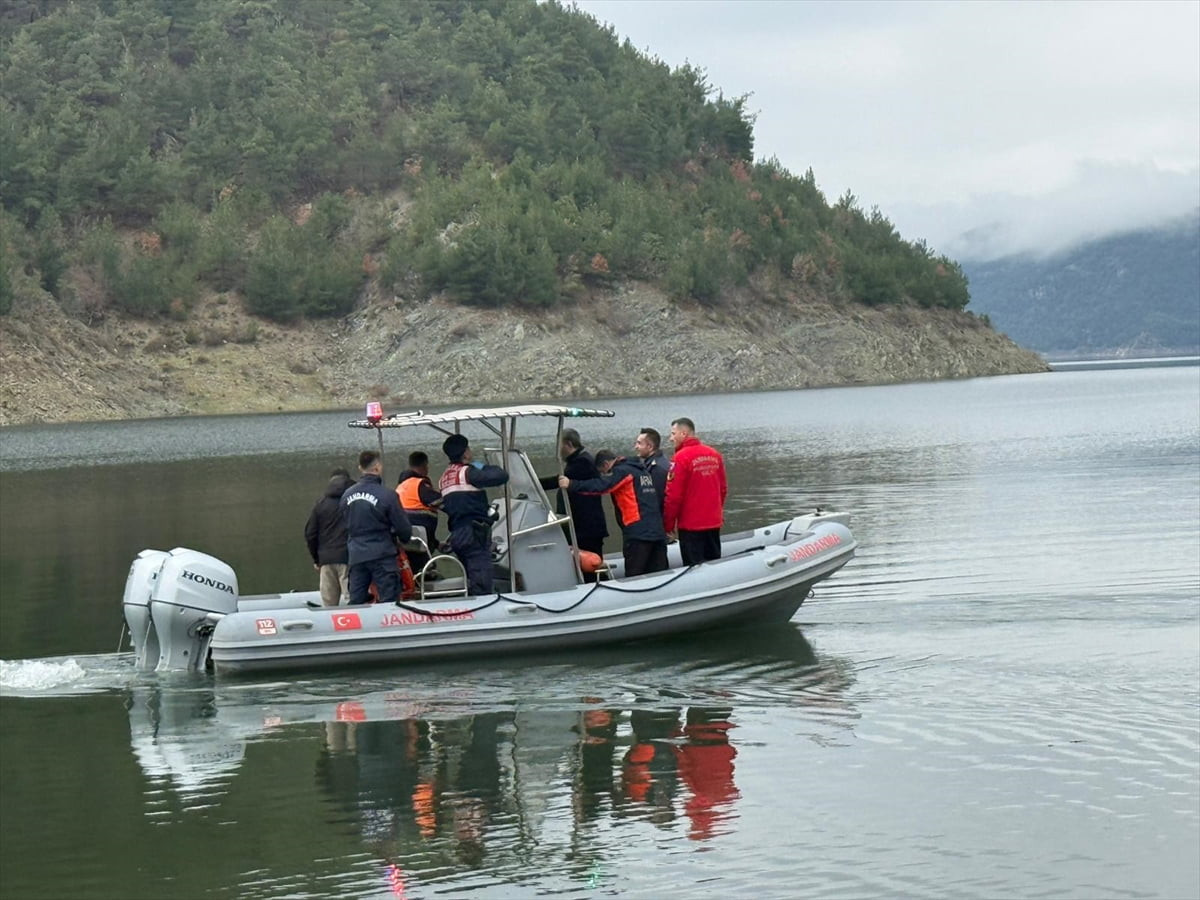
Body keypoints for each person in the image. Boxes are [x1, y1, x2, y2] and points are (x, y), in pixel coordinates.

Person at [559, 449, 668, 577]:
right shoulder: (642, 471)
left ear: (606, 464)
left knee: (634, 574)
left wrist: (571, 484)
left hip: (638, 533)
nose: (605, 474)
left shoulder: (622, 471)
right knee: (659, 572)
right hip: (657, 531)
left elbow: (602, 486)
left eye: (603, 472)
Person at [438, 434, 509, 596]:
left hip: (457, 535)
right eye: (468, 449)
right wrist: (479, 465)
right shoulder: (468, 473)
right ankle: (485, 610)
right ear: (465, 453)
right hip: (474, 534)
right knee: (482, 581)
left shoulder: (444, 478)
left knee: (472, 577)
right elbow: (502, 476)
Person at [340, 450, 412, 606]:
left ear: (360, 468)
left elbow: (344, 524)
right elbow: (403, 528)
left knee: (357, 600)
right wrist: (405, 539)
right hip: (382, 555)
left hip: (356, 555)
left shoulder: (346, 495)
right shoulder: (387, 495)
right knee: (389, 601)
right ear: (378, 467)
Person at [540, 428, 607, 576]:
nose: (558, 450)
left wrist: (534, 483)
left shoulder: (582, 462)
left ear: (569, 444)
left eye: (560, 445)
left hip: (586, 527)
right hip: (579, 526)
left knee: (590, 566)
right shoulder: (577, 460)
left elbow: (558, 480)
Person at [662, 417, 727, 565]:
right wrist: (718, 512)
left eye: (673, 433)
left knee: (694, 568)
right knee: (714, 563)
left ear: (683, 434)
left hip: (691, 526)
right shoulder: (714, 454)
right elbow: (722, 489)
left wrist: (668, 525)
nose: (671, 438)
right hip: (713, 522)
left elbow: (673, 497)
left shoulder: (680, 458)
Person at [304, 468, 355, 606]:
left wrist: (317, 559)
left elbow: (310, 533)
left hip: (326, 560)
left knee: (329, 604)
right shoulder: (353, 501)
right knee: (353, 601)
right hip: (348, 557)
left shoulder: (320, 503)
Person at [396, 450, 442, 577]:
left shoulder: (402, 486)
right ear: (424, 465)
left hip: (407, 539)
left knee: (413, 571)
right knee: (427, 572)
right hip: (419, 541)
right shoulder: (419, 484)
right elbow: (439, 501)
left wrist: (436, 543)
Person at [633, 427, 668, 514]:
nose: (636, 447)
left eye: (639, 443)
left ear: (650, 447)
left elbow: (656, 498)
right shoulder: (654, 464)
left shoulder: (657, 469)